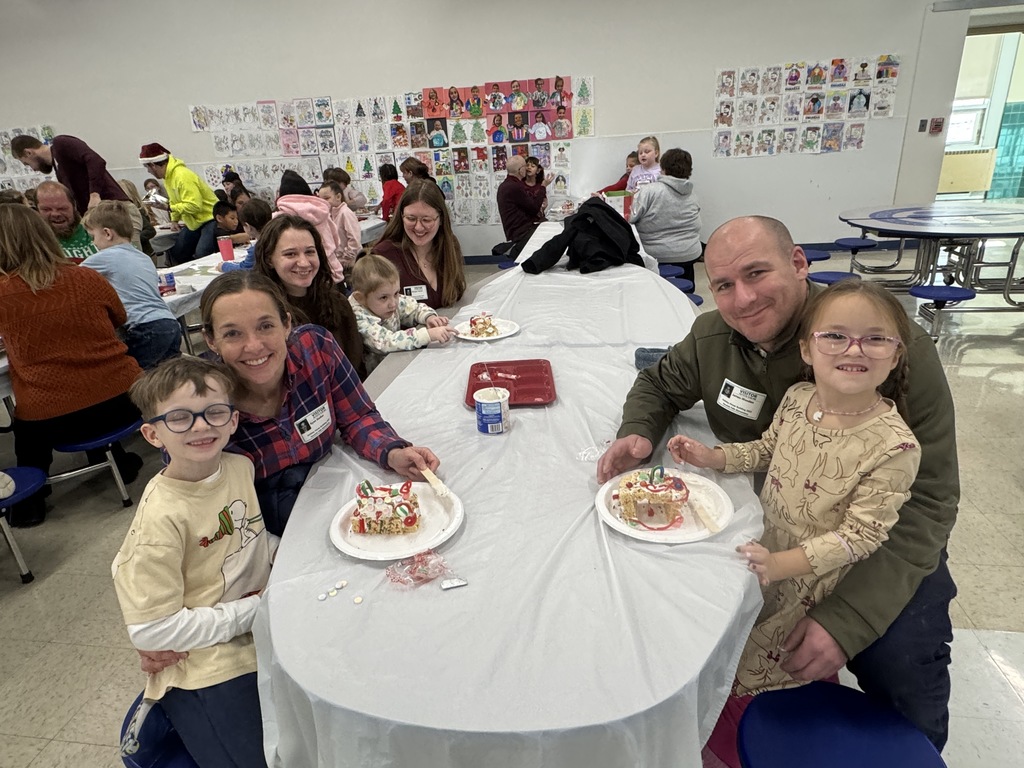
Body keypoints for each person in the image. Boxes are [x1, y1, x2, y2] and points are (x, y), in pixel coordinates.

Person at [596, 216, 958, 751]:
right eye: (723, 285)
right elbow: (658, 382)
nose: (742, 299)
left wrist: (850, 617)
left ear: (798, 264)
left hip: (876, 540)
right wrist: (638, 435)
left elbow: (929, 497)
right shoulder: (713, 337)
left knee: (902, 668)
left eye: (757, 273)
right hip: (781, 531)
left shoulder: (877, 343)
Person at [667, 280, 921, 768]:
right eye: (835, 336)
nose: (854, 349)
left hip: (804, 578)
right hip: (764, 547)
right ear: (807, 348)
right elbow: (766, 449)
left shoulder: (895, 446)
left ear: (895, 354)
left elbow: (861, 535)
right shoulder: (799, 398)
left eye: (874, 338)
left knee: (763, 666)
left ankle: (740, 740)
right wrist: (712, 456)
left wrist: (780, 565)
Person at [115, 356, 275, 768]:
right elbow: (153, 630)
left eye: (214, 412)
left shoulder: (239, 466)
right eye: (181, 418)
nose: (202, 426)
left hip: (259, 628)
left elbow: (250, 538)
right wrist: (255, 611)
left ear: (234, 420)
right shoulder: (160, 519)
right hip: (205, 664)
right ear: (152, 434)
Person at [199, 270, 440, 534]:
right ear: (211, 340)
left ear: (286, 324)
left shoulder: (316, 349)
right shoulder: (198, 405)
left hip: (331, 493)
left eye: (266, 326)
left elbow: (357, 417)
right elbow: (200, 499)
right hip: (258, 528)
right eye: (233, 334)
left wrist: (392, 453)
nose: (254, 346)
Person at [0, 204, 143, 527]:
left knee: (28, 434)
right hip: (124, 398)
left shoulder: (4, 294)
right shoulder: (86, 277)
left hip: (55, 415)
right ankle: (116, 459)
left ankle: (28, 504)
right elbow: (119, 317)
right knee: (88, 398)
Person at [253, 215, 366, 379]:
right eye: (291, 254)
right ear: (269, 259)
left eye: (309, 252)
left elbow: (356, 368)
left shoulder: (337, 303)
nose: (304, 262)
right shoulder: (263, 316)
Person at [81, 201, 182, 370]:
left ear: (107, 233)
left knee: (142, 386)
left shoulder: (106, 256)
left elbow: (71, 278)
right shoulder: (143, 257)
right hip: (169, 323)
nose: (94, 244)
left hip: (144, 328)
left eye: (93, 237)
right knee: (169, 381)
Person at [10, 134, 141, 246]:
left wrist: (94, 195)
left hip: (118, 211)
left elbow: (95, 160)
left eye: (27, 163)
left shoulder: (61, 143)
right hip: (101, 220)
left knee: (131, 262)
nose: (33, 169)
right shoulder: (60, 169)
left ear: (28, 152)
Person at [348, 254, 456, 374]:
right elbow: (385, 342)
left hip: (398, 363)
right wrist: (426, 335)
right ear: (361, 298)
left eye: (396, 293)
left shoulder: (389, 300)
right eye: (383, 297)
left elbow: (413, 308)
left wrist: (428, 317)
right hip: (378, 377)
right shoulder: (358, 317)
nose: (393, 303)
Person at [371, 180, 466, 309]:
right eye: (411, 219)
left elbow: (457, 294)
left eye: (426, 220)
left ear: (441, 219)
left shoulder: (449, 246)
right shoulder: (383, 255)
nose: (419, 227)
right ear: (401, 216)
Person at [628, 148, 702, 281]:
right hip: (690, 252)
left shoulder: (650, 191)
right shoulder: (692, 195)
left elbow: (631, 217)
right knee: (685, 283)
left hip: (657, 253)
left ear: (663, 169)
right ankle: (688, 295)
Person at [140, 143, 219, 265]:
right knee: (178, 252)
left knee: (202, 254)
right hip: (195, 223)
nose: (149, 171)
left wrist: (168, 208)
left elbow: (194, 205)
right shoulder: (168, 178)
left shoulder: (182, 175)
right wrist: (174, 220)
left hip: (210, 219)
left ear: (154, 165)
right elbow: (175, 200)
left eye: (148, 168)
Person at [274, 170, 345, 284]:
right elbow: (336, 241)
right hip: (332, 273)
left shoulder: (279, 218)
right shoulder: (323, 212)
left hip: (301, 277)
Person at [35, 181, 98, 262]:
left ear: (74, 206)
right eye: (46, 209)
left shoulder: (97, 232)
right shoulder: (34, 242)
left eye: (62, 208)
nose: (55, 214)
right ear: (36, 210)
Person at [497, 155, 546, 246]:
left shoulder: (505, 185)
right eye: (525, 166)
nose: (527, 169)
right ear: (521, 170)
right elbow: (534, 208)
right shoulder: (515, 187)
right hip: (521, 233)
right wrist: (543, 187)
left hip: (516, 230)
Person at [317, 180, 361, 275]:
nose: (323, 202)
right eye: (321, 200)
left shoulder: (345, 213)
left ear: (338, 196)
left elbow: (354, 240)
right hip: (338, 262)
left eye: (327, 198)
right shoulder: (329, 215)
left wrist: (345, 259)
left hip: (349, 264)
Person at [219, 198, 271, 274]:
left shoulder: (258, 249)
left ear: (248, 226)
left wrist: (224, 266)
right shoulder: (276, 238)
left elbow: (244, 269)